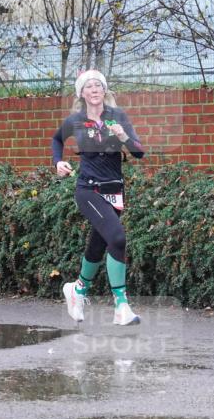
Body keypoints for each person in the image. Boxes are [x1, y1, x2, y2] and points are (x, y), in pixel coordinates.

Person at [51, 69, 145, 326]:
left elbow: (139, 152)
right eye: (89, 86)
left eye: (98, 86)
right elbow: (57, 139)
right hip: (88, 189)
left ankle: (78, 290)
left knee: (98, 244)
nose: (94, 90)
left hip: (114, 190)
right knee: (117, 237)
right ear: (81, 93)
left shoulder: (118, 116)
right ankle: (121, 305)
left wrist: (124, 136)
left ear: (105, 91)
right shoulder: (76, 120)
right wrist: (58, 162)